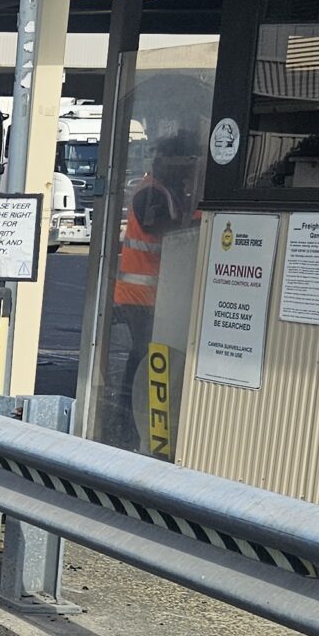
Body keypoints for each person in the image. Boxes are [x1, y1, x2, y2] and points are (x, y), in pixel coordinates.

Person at [105, 136, 197, 453]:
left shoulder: (166, 190)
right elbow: (164, 229)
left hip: (150, 294)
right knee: (145, 357)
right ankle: (129, 425)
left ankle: (131, 425)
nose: (186, 173)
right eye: (184, 165)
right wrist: (196, 218)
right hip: (139, 294)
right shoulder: (152, 192)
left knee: (144, 357)